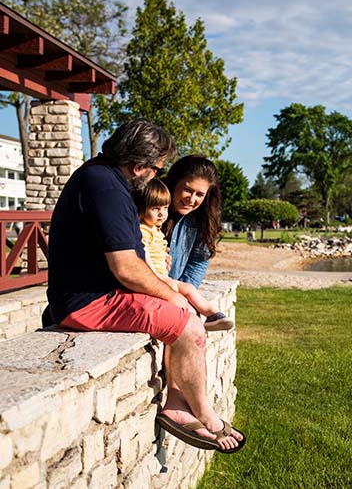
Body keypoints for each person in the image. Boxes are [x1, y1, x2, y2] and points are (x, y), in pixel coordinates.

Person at [46, 119, 245, 453]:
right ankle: (203, 412)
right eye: (156, 169)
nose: (156, 175)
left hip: (95, 294)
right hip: (89, 301)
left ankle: (180, 406)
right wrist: (174, 298)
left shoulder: (102, 179)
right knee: (189, 326)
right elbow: (126, 267)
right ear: (138, 166)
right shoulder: (106, 187)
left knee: (184, 320)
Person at [133, 178, 234, 331]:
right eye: (155, 209)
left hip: (161, 276)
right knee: (182, 296)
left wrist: (164, 256)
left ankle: (212, 314)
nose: (162, 214)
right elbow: (142, 254)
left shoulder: (154, 228)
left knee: (188, 289)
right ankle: (200, 320)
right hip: (155, 278)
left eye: (165, 208)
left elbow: (157, 250)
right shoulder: (143, 230)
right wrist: (155, 275)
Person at [161, 155, 223, 289]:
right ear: (173, 183)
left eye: (200, 194)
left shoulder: (203, 219)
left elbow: (198, 263)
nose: (192, 199)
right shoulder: (147, 207)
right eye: (188, 190)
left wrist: (178, 293)